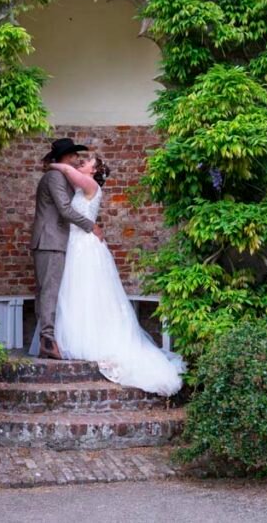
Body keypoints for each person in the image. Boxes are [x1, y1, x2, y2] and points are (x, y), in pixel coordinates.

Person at [48, 152, 184, 396]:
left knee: (87, 290)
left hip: (85, 246)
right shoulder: (84, 184)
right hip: (77, 244)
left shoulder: (89, 184)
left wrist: (53, 163)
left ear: (94, 170)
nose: (83, 161)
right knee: (78, 292)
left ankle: (92, 340)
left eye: (88, 160)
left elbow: (68, 173)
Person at [30, 138, 103, 360]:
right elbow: (63, 209)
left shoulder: (62, 177)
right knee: (49, 290)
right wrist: (91, 226)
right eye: (72, 155)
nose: (76, 159)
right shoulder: (54, 177)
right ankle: (48, 341)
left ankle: (48, 339)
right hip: (49, 240)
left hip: (55, 241)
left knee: (48, 290)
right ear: (63, 156)